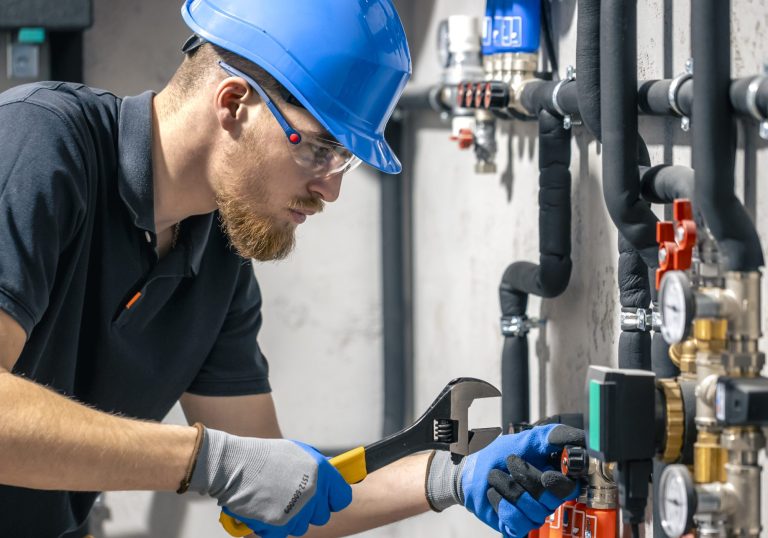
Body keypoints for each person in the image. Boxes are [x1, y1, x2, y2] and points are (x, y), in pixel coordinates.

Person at [0, 1, 582, 536]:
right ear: (233, 104)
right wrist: (210, 462)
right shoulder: (39, 146)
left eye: (344, 161)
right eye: (319, 149)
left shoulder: (217, 259)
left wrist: (448, 478)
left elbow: (277, 497)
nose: (329, 189)